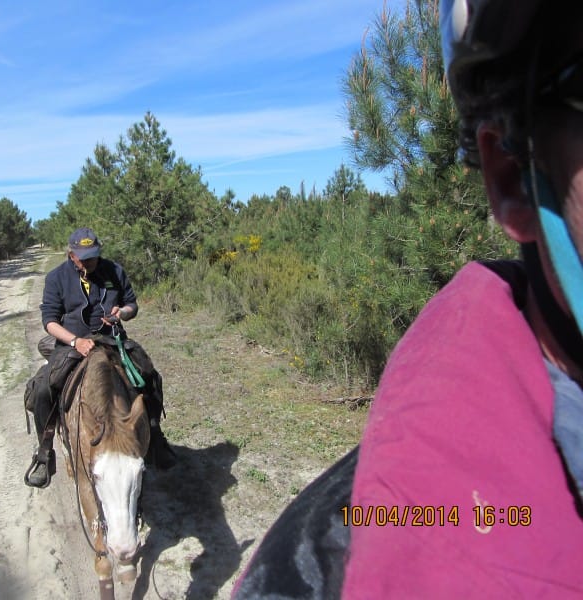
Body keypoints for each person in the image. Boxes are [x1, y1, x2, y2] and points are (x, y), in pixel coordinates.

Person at [234, 1, 583, 597]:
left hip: (113, 328)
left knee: (145, 391)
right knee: (52, 384)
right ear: (511, 177)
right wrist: (77, 334)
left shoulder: (110, 277)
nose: (87, 261)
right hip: (75, 338)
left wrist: (119, 314)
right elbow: (57, 322)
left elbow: (127, 302)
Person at [24, 227, 176, 488]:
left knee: (149, 375)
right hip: (73, 343)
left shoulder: (114, 270)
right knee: (42, 390)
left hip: (111, 339)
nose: (89, 262)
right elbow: (49, 321)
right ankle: (44, 451)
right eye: (83, 258)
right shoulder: (56, 278)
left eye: (93, 256)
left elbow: (132, 304)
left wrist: (123, 314)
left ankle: (155, 434)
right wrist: (75, 340)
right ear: (71, 255)